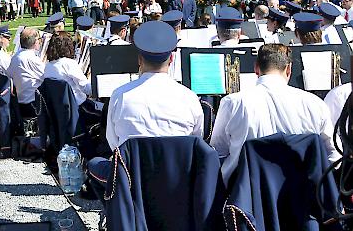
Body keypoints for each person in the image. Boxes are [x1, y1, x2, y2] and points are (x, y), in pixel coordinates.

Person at [88, 21, 203, 200]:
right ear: (171, 59)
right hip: (177, 180)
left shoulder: (119, 95)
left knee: (94, 163)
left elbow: (114, 144)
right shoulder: (190, 97)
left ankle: (118, 211)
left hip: (131, 179)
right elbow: (197, 140)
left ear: (139, 60)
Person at [210, 44, 338, 183]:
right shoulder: (315, 104)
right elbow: (333, 155)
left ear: (256, 68)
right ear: (288, 69)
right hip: (303, 196)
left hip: (247, 196)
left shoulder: (232, 103)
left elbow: (218, 153)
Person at [42, 32, 91, 106]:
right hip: (77, 106)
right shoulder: (69, 63)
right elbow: (85, 88)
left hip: (58, 108)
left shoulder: (47, 66)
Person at [7, 27, 45, 118]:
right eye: (39, 40)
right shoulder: (32, 59)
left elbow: (9, 74)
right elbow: (46, 76)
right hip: (33, 104)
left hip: (20, 101)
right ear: (35, 42)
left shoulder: (16, 56)